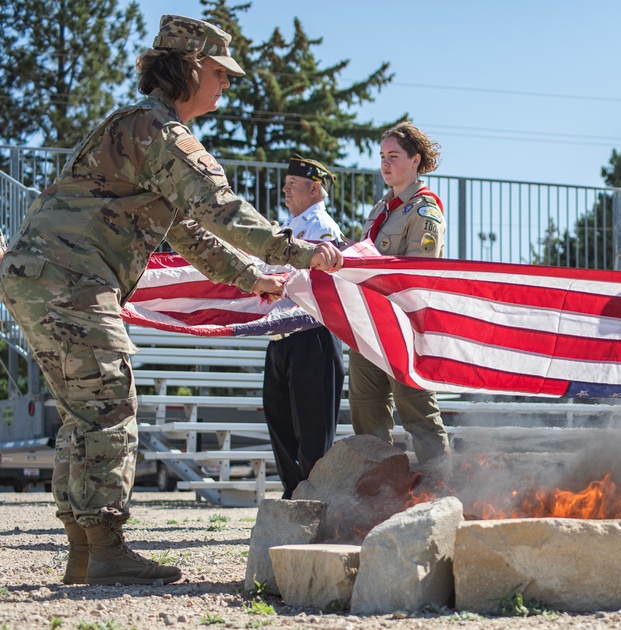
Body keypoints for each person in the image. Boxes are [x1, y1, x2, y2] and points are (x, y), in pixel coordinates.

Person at [0, 14, 343, 586]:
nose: (226, 84)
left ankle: (86, 552)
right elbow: (222, 210)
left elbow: (191, 234)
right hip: (71, 278)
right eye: (218, 72)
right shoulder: (160, 131)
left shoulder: (141, 129)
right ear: (188, 68)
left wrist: (253, 280)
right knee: (109, 406)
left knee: (85, 413)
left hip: (43, 276)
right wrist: (298, 251)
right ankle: (105, 550)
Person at [349, 122, 451, 464]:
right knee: (366, 415)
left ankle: (440, 490)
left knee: (417, 413)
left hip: (401, 324)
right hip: (367, 322)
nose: (385, 163)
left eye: (393, 155)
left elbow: (415, 274)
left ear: (415, 160)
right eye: (381, 156)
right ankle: (375, 494)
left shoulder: (424, 210)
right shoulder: (381, 209)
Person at [263, 155, 348, 499]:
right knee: (280, 422)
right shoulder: (290, 225)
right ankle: (294, 495)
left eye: (292, 184)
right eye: (285, 183)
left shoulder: (322, 228)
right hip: (280, 335)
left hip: (312, 334)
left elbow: (321, 279)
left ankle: (314, 499)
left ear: (315, 189)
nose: (285, 189)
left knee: (312, 431)